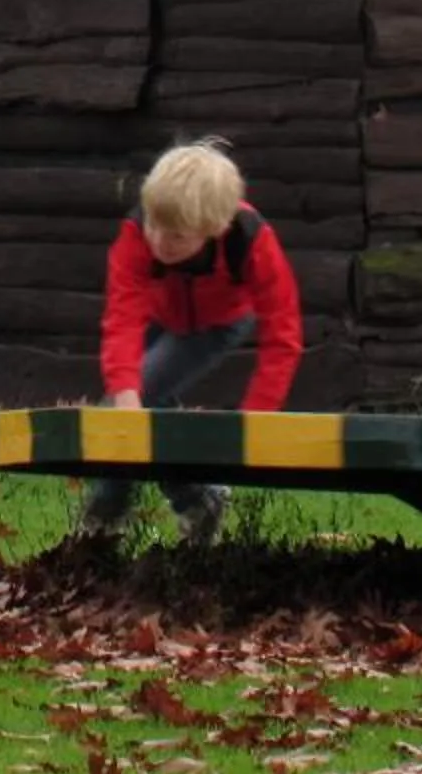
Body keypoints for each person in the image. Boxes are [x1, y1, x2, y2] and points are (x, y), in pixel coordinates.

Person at [79, 137, 305, 545]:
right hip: (155, 314)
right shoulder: (136, 233)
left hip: (217, 325)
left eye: (178, 236)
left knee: (133, 400)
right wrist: (125, 391)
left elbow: (282, 333)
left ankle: (106, 514)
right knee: (129, 404)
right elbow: (122, 317)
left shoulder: (250, 239)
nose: (161, 241)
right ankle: (195, 499)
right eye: (154, 226)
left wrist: (257, 416)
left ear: (214, 229)